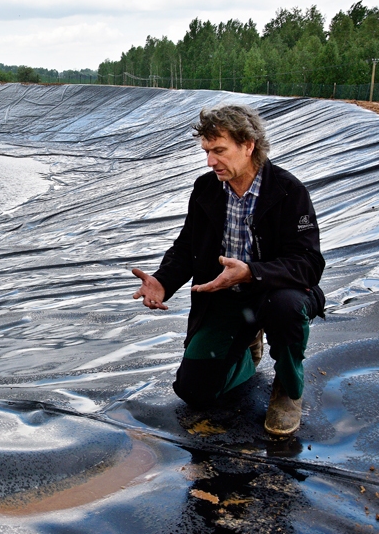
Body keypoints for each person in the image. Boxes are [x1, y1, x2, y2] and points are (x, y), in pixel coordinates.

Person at [132, 104, 325, 436]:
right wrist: (163, 281)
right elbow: (186, 247)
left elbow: (308, 263)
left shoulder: (288, 191)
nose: (210, 161)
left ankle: (288, 387)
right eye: (207, 151)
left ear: (248, 145)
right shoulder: (207, 189)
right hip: (225, 300)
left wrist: (252, 272)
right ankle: (245, 350)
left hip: (274, 293)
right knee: (194, 392)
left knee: (286, 308)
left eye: (219, 150)